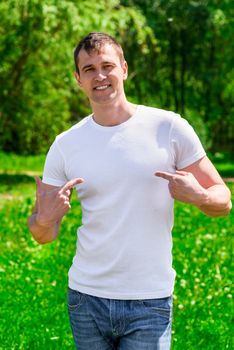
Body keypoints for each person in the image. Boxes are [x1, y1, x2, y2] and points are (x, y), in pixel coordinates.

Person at [28, 32, 231, 349]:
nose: (100, 76)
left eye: (107, 65)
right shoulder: (65, 144)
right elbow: (42, 233)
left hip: (149, 299)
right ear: (77, 79)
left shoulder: (169, 127)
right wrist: (44, 220)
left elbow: (223, 201)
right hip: (86, 298)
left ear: (123, 69)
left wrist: (200, 197)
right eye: (89, 69)